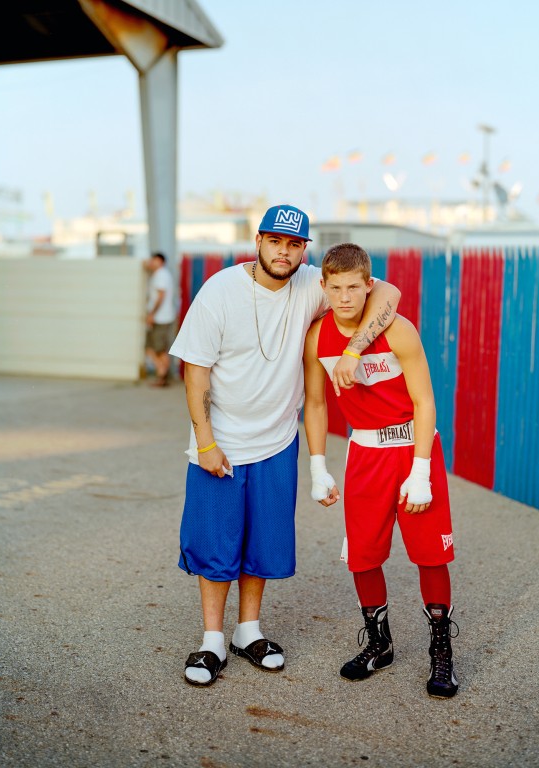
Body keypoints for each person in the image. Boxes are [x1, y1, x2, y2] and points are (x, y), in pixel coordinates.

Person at [169, 205, 401, 687]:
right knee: (215, 545)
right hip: (222, 443)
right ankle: (212, 640)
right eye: (276, 241)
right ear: (258, 241)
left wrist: (355, 348)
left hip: (277, 440)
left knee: (261, 544)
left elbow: (388, 292)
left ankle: (247, 631)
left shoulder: (312, 284)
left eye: (295, 244)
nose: (284, 250)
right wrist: (206, 441)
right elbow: (195, 373)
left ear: (304, 250)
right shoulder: (220, 291)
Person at [303, 242, 458, 699]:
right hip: (365, 455)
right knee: (364, 555)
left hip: (412, 449)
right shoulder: (317, 337)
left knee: (431, 554)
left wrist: (422, 469)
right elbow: (315, 404)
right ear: (324, 287)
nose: (345, 297)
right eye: (336, 288)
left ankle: (441, 651)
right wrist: (317, 468)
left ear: (369, 286)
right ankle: (379, 643)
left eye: (354, 287)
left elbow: (424, 400)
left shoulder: (399, 330)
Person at [144, 252, 177, 387]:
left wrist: (152, 314)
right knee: (155, 348)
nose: (151, 262)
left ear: (161, 261)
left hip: (161, 318)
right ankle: (162, 374)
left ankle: (162, 376)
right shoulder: (160, 274)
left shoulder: (161, 275)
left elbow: (161, 296)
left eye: (154, 260)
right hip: (163, 317)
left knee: (158, 348)